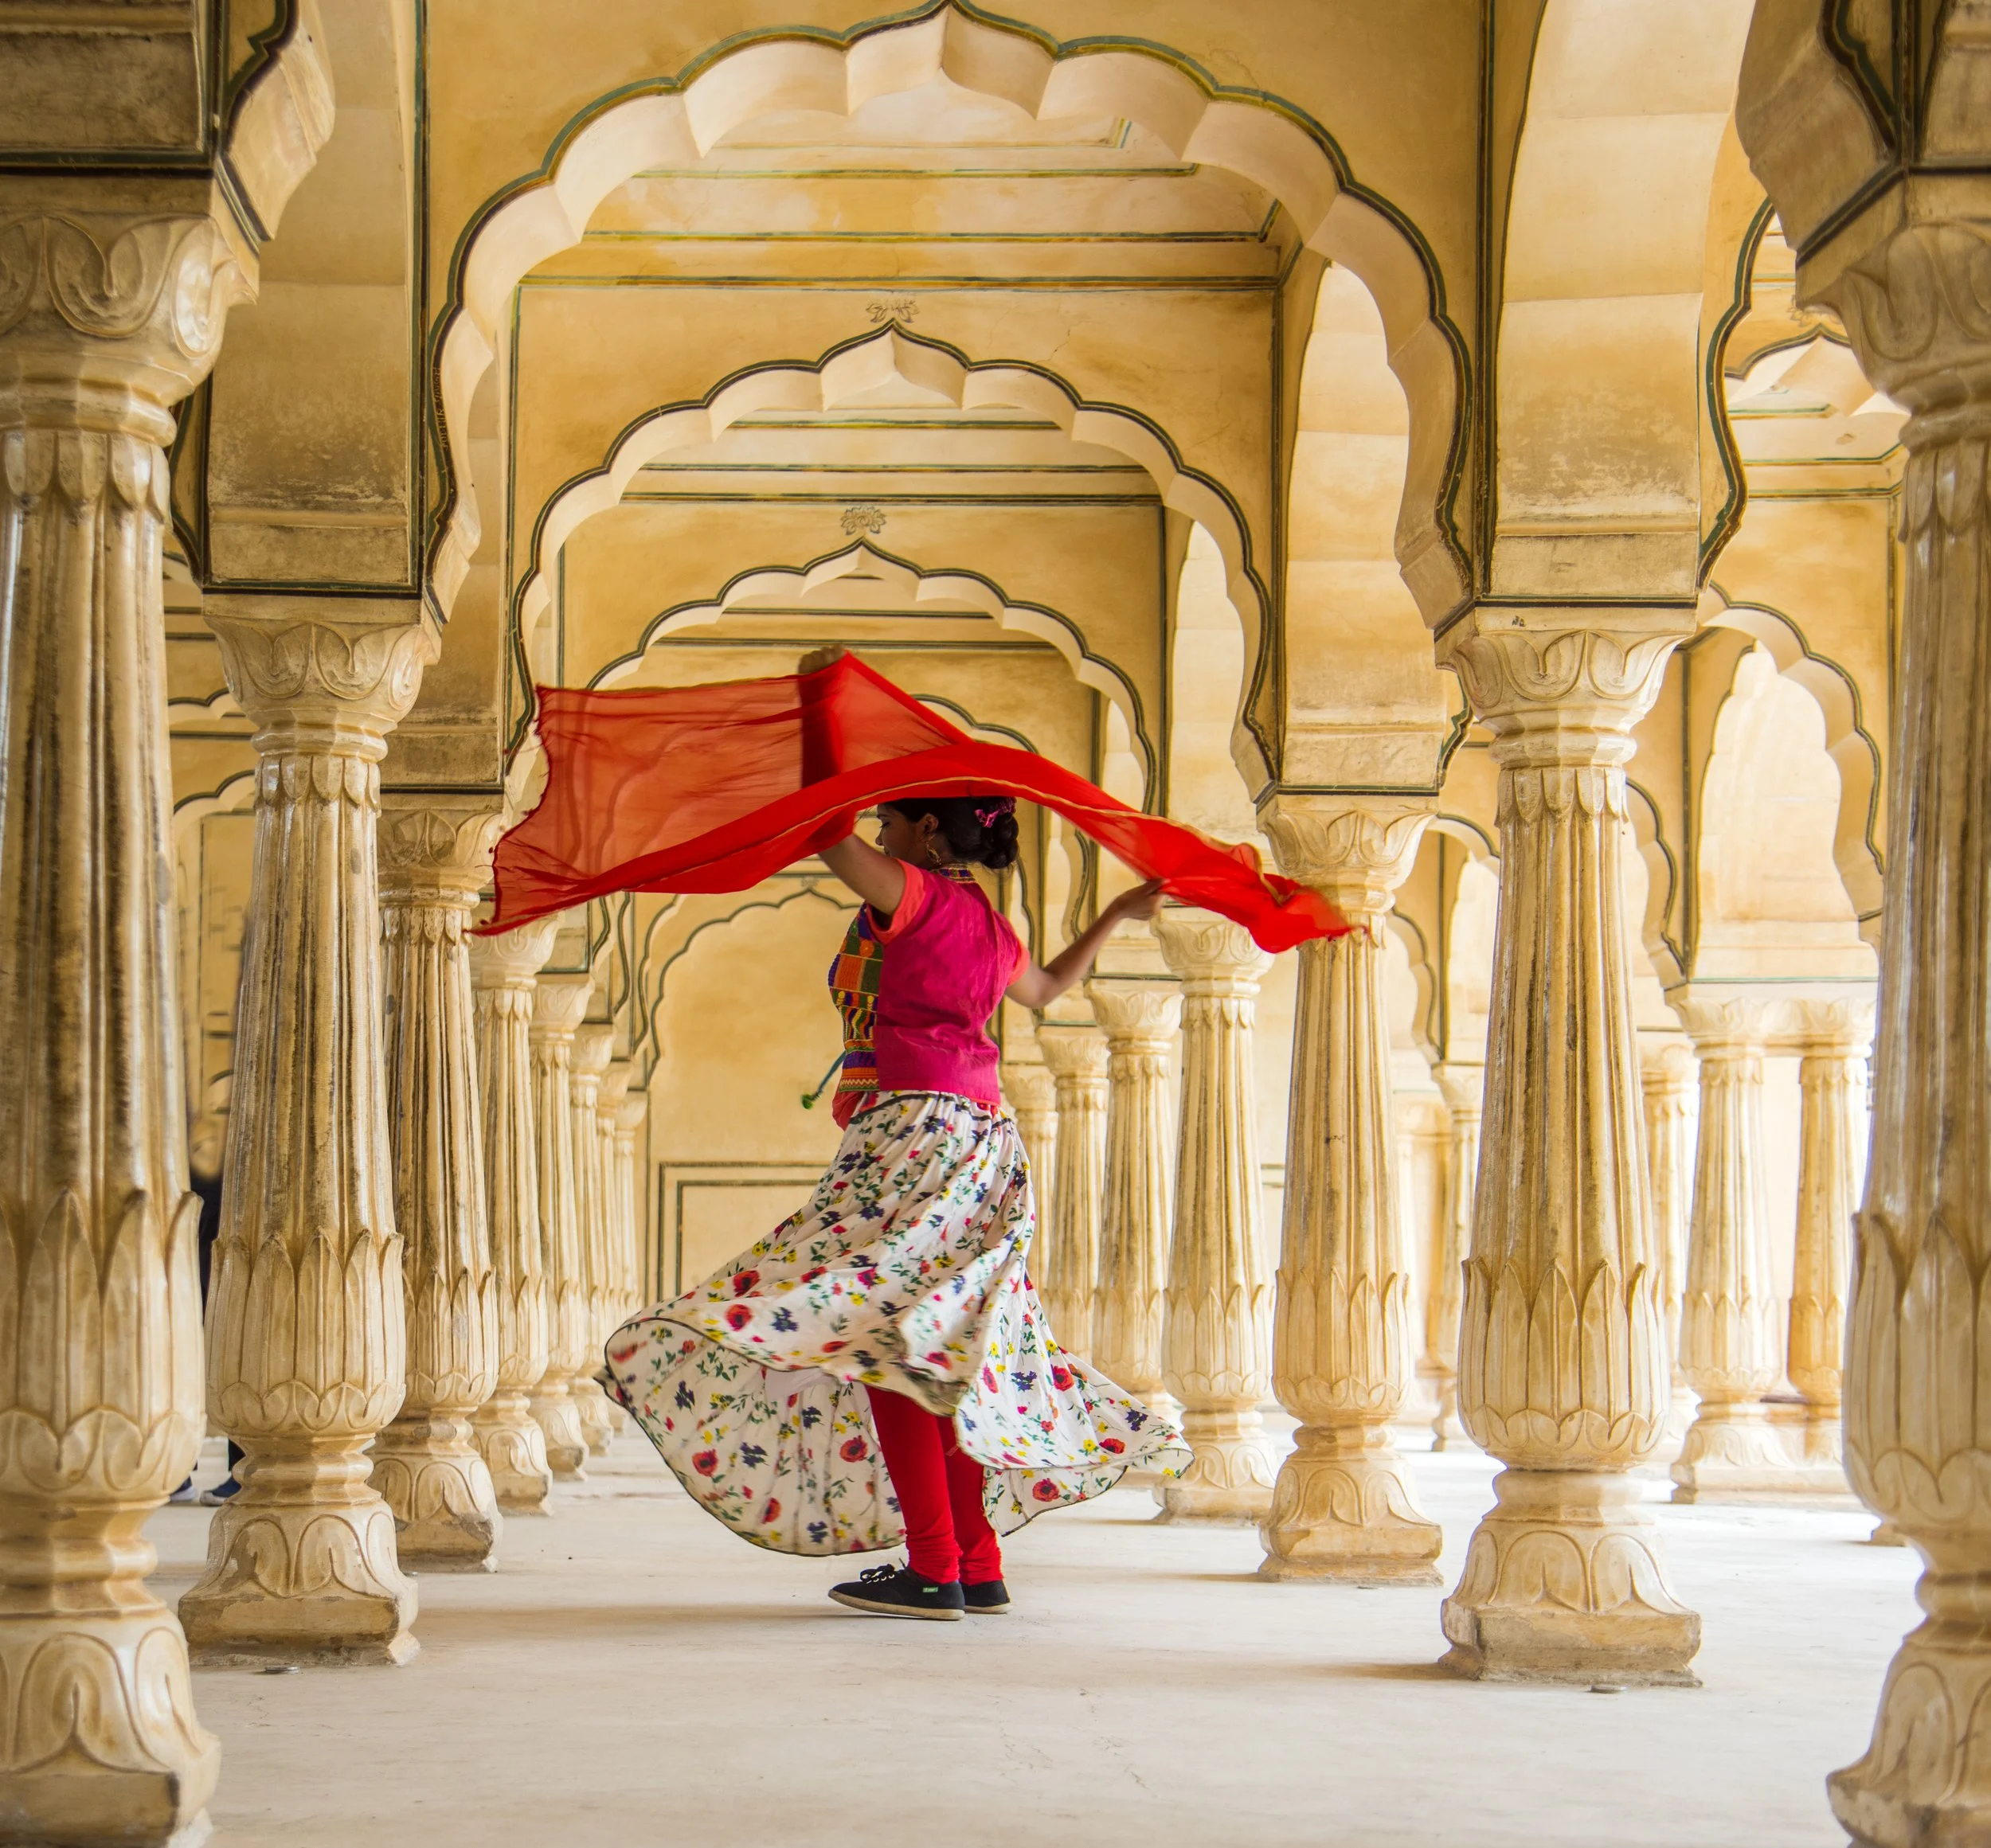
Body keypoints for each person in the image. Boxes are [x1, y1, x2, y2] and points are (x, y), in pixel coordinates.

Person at [604, 789, 1190, 1619]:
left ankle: (933, 1564)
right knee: (939, 1347)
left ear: (922, 829)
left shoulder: (917, 894)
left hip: (913, 1127)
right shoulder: (990, 923)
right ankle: (973, 1563)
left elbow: (826, 835)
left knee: (886, 1342)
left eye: (890, 822)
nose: (877, 835)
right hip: (984, 1137)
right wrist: (1121, 910)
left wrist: (821, 728)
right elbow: (1048, 987)